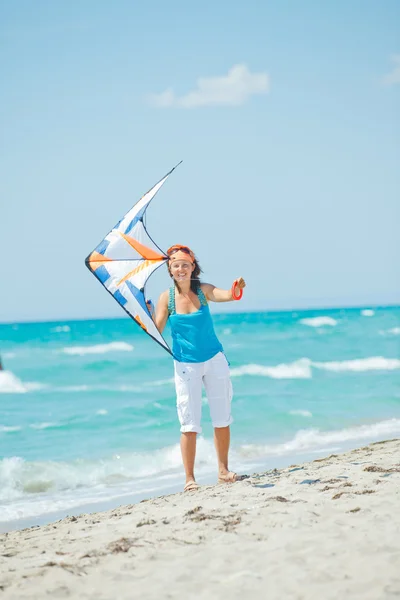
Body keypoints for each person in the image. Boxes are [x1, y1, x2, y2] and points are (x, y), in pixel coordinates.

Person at [152, 244, 246, 492]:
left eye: (185, 264)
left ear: (193, 267)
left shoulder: (203, 290)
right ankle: (189, 479)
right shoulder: (166, 298)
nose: (180, 269)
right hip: (186, 365)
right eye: (175, 265)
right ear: (169, 270)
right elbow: (156, 330)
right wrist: (146, 313)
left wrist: (236, 290)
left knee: (222, 416)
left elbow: (225, 295)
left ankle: (223, 471)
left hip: (214, 359)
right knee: (189, 422)